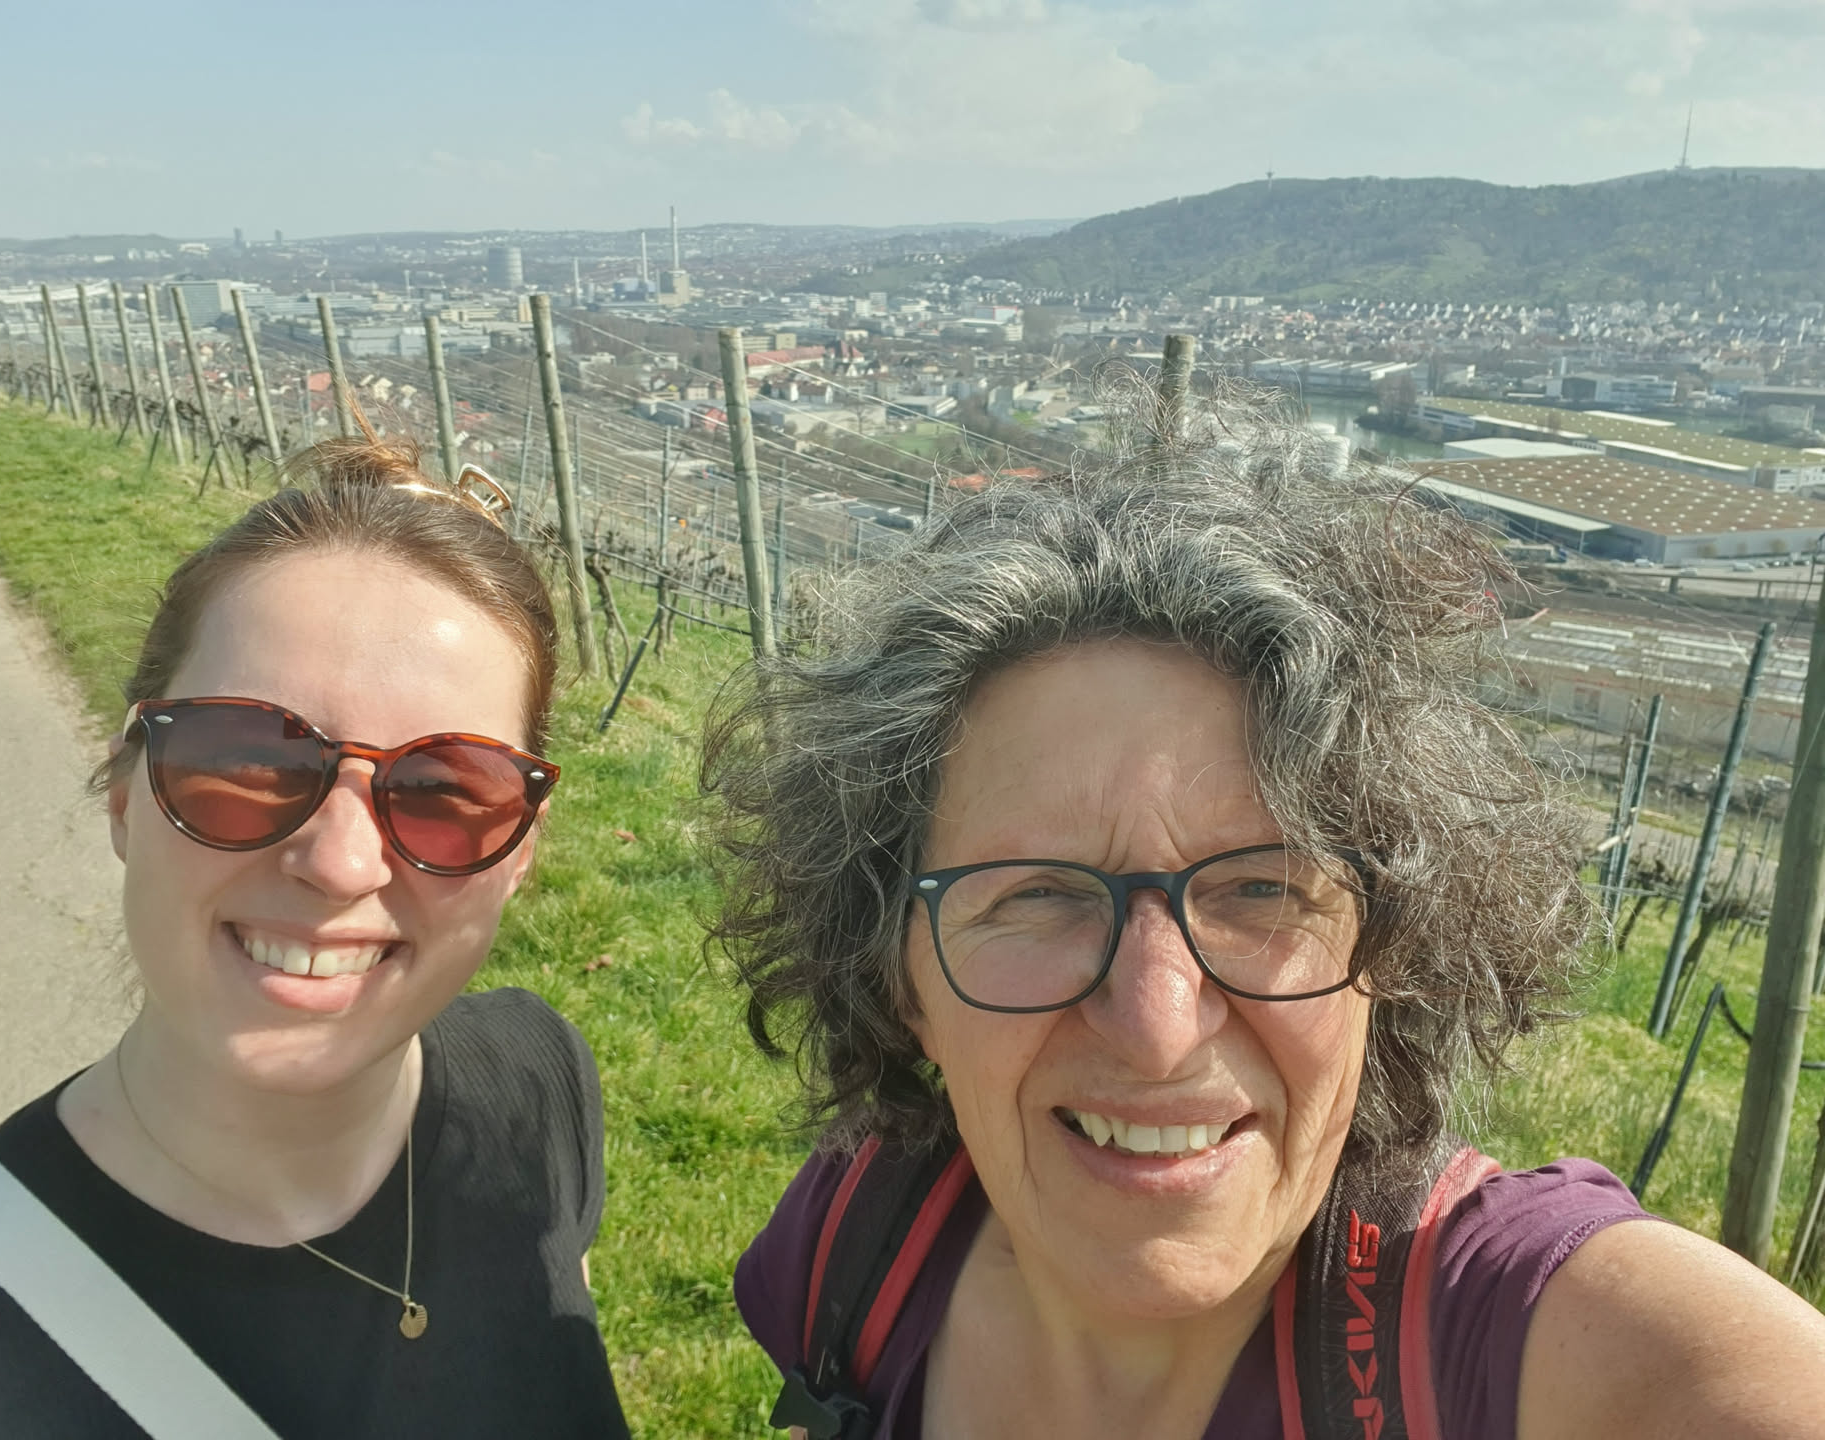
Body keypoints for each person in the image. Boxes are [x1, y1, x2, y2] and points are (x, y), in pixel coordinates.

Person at [706, 391, 1825, 1439]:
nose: (1156, 1025)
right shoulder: (854, 1248)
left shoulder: (1498, 1339)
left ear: (1393, 951)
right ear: (899, 976)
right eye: (1037, 894)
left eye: (1261, 889)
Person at [0, 439, 630, 1437]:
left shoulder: (539, 1084)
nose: (341, 863)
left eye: (443, 790)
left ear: (520, 852)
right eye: (248, 759)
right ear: (125, 794)